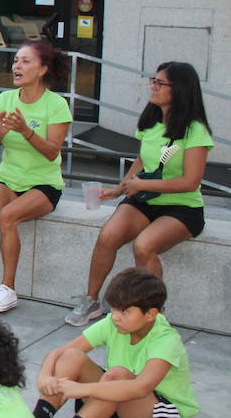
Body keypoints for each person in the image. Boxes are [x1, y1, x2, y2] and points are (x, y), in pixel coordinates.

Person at [65, 62, 213, 325]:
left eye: (160, 83)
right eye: (152, 81)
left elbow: (190, 182)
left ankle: (152, 315)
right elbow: (142, 162)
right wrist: (118, 190)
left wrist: (141, 186)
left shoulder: (195, 130)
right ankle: (91, 301)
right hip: (145, 200)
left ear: (178, 89)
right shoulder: (152, 123)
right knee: (108, 235)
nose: (153, 87)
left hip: (182, 207)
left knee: (144, 246)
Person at [37, 267, 197, 418]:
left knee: (117, 375)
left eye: (124, 311)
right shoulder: (113, 324)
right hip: (108, 410)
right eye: (113, 309)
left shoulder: (166, 340)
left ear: (150, 314)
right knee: (72, 357)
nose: (115, 317)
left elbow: (140, 388)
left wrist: (82, 390)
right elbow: (59, 353)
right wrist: (45, 375)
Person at [0, 42, 72, 313]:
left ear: (43, 69)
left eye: (25, 62)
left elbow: (52, 152)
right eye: (15, 61)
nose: (16, 67)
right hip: (9, 177)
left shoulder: (56, 105)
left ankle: (8, 288)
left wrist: (25, 131)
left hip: (43, 183)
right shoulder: (5, 99)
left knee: (7, 216)